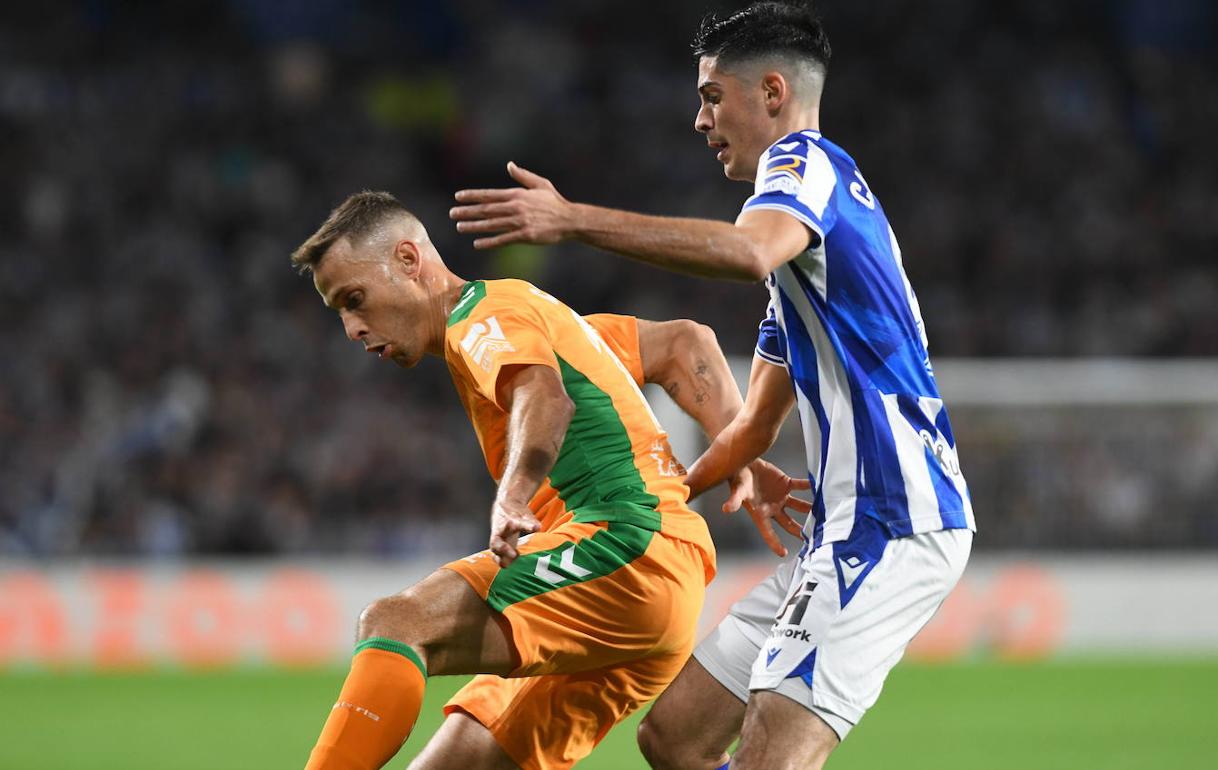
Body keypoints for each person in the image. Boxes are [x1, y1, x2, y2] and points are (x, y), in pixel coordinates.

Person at [448, 2, 976, 768]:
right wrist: (669, 501)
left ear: (771, 92)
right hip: (838, 531)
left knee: (772, 751)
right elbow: (757, 421)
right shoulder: (808, 261)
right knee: (675, 737)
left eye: (710, 95)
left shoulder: (805, 167)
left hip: (891, 521)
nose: (699, 119)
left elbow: (746, 252)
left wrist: (573, 220)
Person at [292, 190, 803, 770]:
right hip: (642, 585)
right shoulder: (539, 318)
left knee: (397, 622)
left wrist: (512, 492)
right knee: (457, 760)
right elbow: (685, 342)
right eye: (340, 313)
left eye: (355, 300)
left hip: (623, 547)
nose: (352, 328)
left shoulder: (479, 317)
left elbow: (544, 398)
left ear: (409, 260)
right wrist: (740, 443)